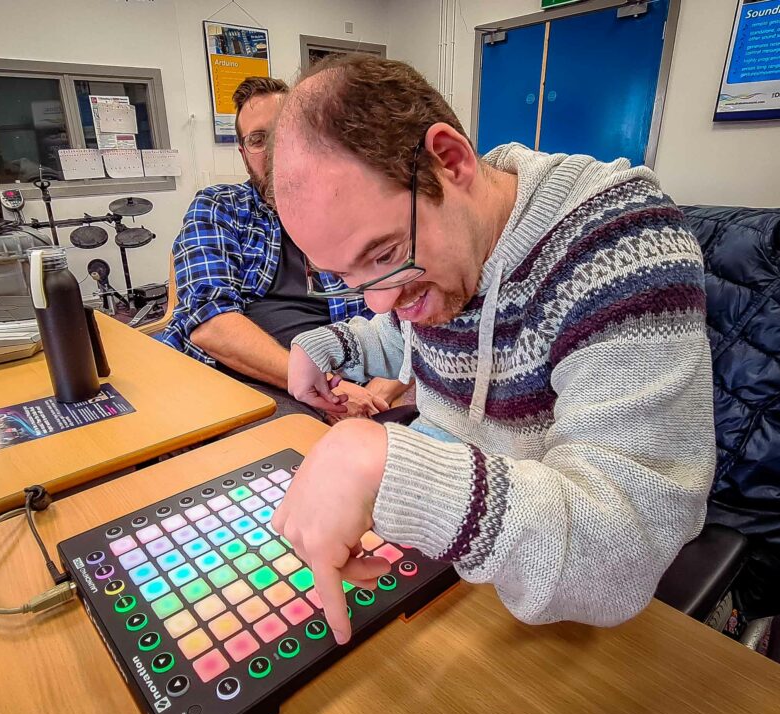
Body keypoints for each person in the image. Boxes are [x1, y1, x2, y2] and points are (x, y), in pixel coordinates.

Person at [269, 55, 716, 644]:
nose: (378, 301)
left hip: (574, 607)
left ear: (450, 161)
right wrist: (330, 344)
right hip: (468, 563)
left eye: (381, 256)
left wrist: (387, 463)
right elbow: (406, 333)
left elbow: (623, 553)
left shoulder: (625, 250)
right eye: (345, 277)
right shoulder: (440, 259)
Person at [157, 76, 407, 420]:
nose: (274, 148)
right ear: (244, 154)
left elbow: (404, 311)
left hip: (356, 373)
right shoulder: (219, 207)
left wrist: (381, 388)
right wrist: (331, 389)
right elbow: (210, 324)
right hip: (250, 379)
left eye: (283, 131)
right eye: (259, 139)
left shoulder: (349, 207)